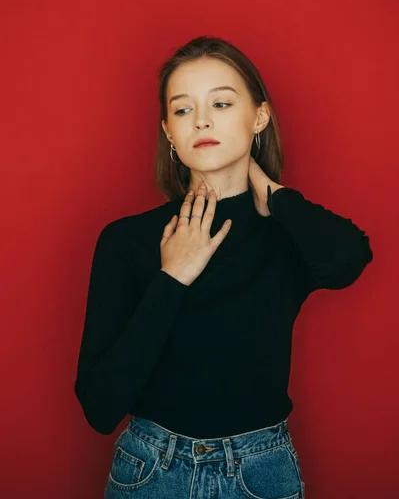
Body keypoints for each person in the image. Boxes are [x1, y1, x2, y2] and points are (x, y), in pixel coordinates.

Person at [74, 36, 373, 499]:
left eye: (221, 102)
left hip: (260, 472)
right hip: (151, 471)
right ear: (169, 132)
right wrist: (172, 278)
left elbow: (349, 259)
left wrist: (269, 190)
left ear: (259, 116)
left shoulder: (287, 235)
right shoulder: (126, 240)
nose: (203, 120)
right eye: (183, 109)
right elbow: (100, 407)